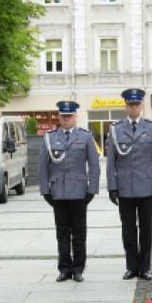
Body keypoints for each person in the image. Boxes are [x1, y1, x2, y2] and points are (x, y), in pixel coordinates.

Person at [106, 88, 152, 281]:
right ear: (126, 106)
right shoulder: (116, 129)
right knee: (128, 229)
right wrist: (112, 187)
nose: (133, 107)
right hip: (124, 188)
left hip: (146, 187)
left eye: (136, 104)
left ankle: (145, 267)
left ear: (141, 105)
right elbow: (111, 161)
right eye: (130, 104)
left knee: (146, 229)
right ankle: (131, 267)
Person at [40, 100, 100, 283]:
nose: (66, 119)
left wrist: (91, 190)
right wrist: (45, 191)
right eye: (63, 116)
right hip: (58, 192)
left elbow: (94, 165)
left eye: (69, 116)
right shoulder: (49, 137)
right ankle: (64, 268)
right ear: (59, 117)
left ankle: (78, 269)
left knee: (79, 234)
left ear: (75, 117)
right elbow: (43, 166)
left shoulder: (85, 137)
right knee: (62, 233)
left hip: (79, 192)